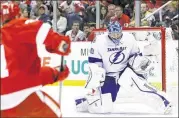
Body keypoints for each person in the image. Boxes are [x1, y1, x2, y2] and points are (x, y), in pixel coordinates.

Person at [74, 20, 173, 114]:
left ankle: (164, 104)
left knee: (140, 88)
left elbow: (134, 55)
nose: (116, 36)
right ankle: (83, 102)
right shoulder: (99, 41)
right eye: (113, 33)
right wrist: (98, 76)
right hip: (109, 76)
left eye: (118, 33)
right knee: (106, 106)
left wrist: (139, 63)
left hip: (125, 70)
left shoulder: (129, 38)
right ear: (108, 32)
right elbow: (94, 62)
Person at [1, 2, 71, 117]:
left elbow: (14, 77)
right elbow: (21, 80)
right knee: (56, 113)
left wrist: (55, 73)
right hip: (25, 98)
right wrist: (62, 44)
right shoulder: (20, 26)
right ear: (18, 15)